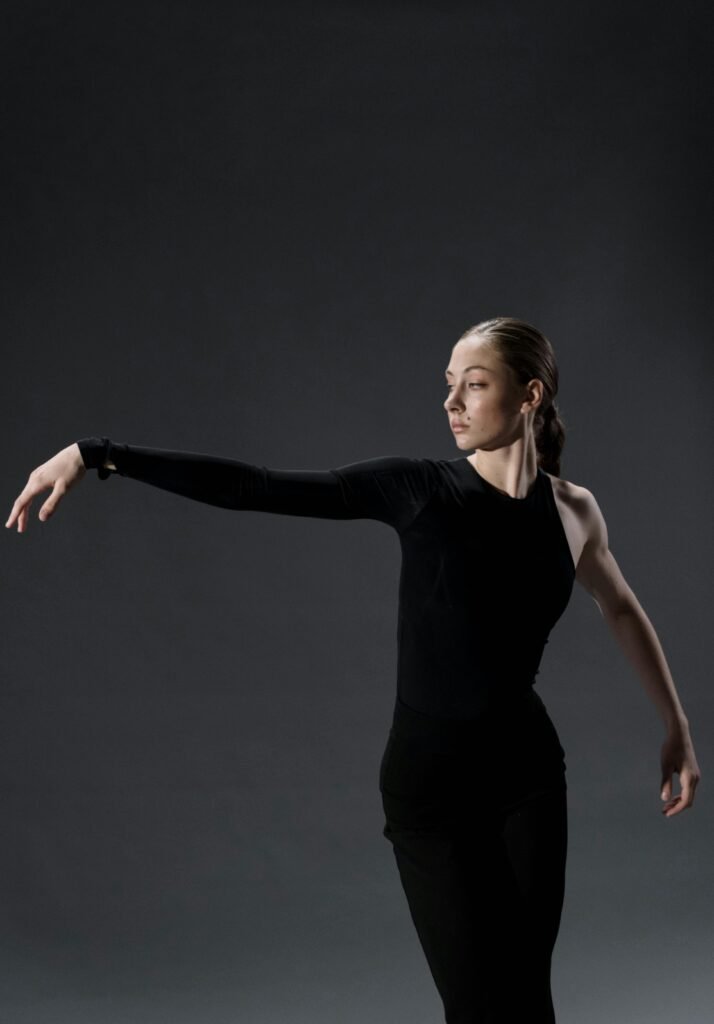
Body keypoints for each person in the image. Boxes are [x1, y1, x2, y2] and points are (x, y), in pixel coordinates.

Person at [5, 316, 700, 1023]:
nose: (451, 401)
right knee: (479, 1005)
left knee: (526, 997)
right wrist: (98, 454)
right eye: (448, 384)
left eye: (474, 384)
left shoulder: (574, 510)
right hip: (431, 792)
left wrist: (674, 724)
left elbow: (621, 607)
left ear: (530, 395)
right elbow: (256, 486)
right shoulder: (419, 488)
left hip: (527, 777)